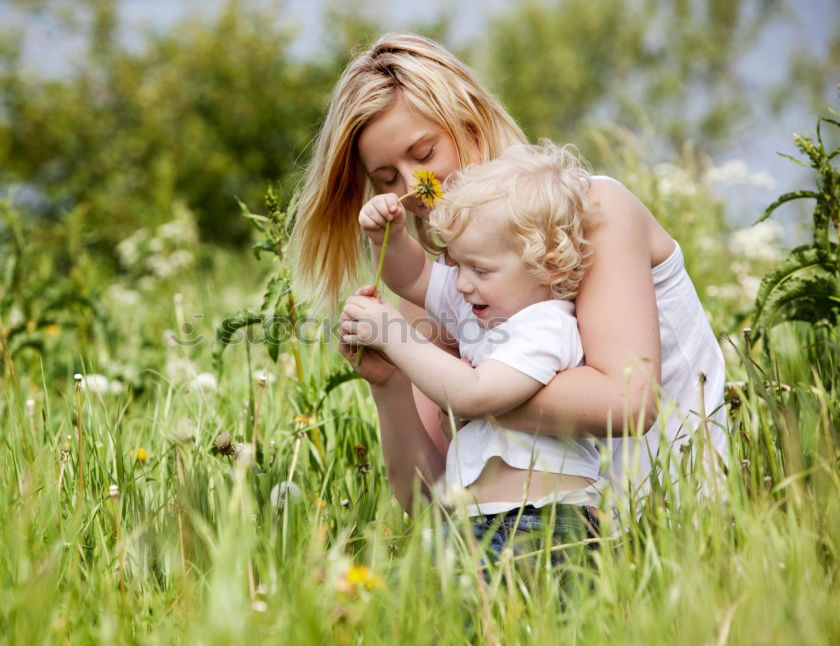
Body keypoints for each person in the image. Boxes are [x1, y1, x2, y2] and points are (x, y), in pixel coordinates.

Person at [289, 33, 726, 538]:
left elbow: (629, 404)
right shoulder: (445, 288)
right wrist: (390, 384)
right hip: (523, 549)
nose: (412, 187)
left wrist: (461, 382)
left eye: (424, 152)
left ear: (471, 124)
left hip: (677, 528)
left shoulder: (590, 214)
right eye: (387, 177)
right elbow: (435, 501)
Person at [342, 142, 603, 528]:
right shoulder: (482, 304)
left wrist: (393, 335)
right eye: (457, 265)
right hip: (480, 521)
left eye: (479, 270)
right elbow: (413, 277)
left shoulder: (547, 325)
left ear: (548, 268)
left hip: (546, 520)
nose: (461, 284)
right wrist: (389, 239)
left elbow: (473, 395)